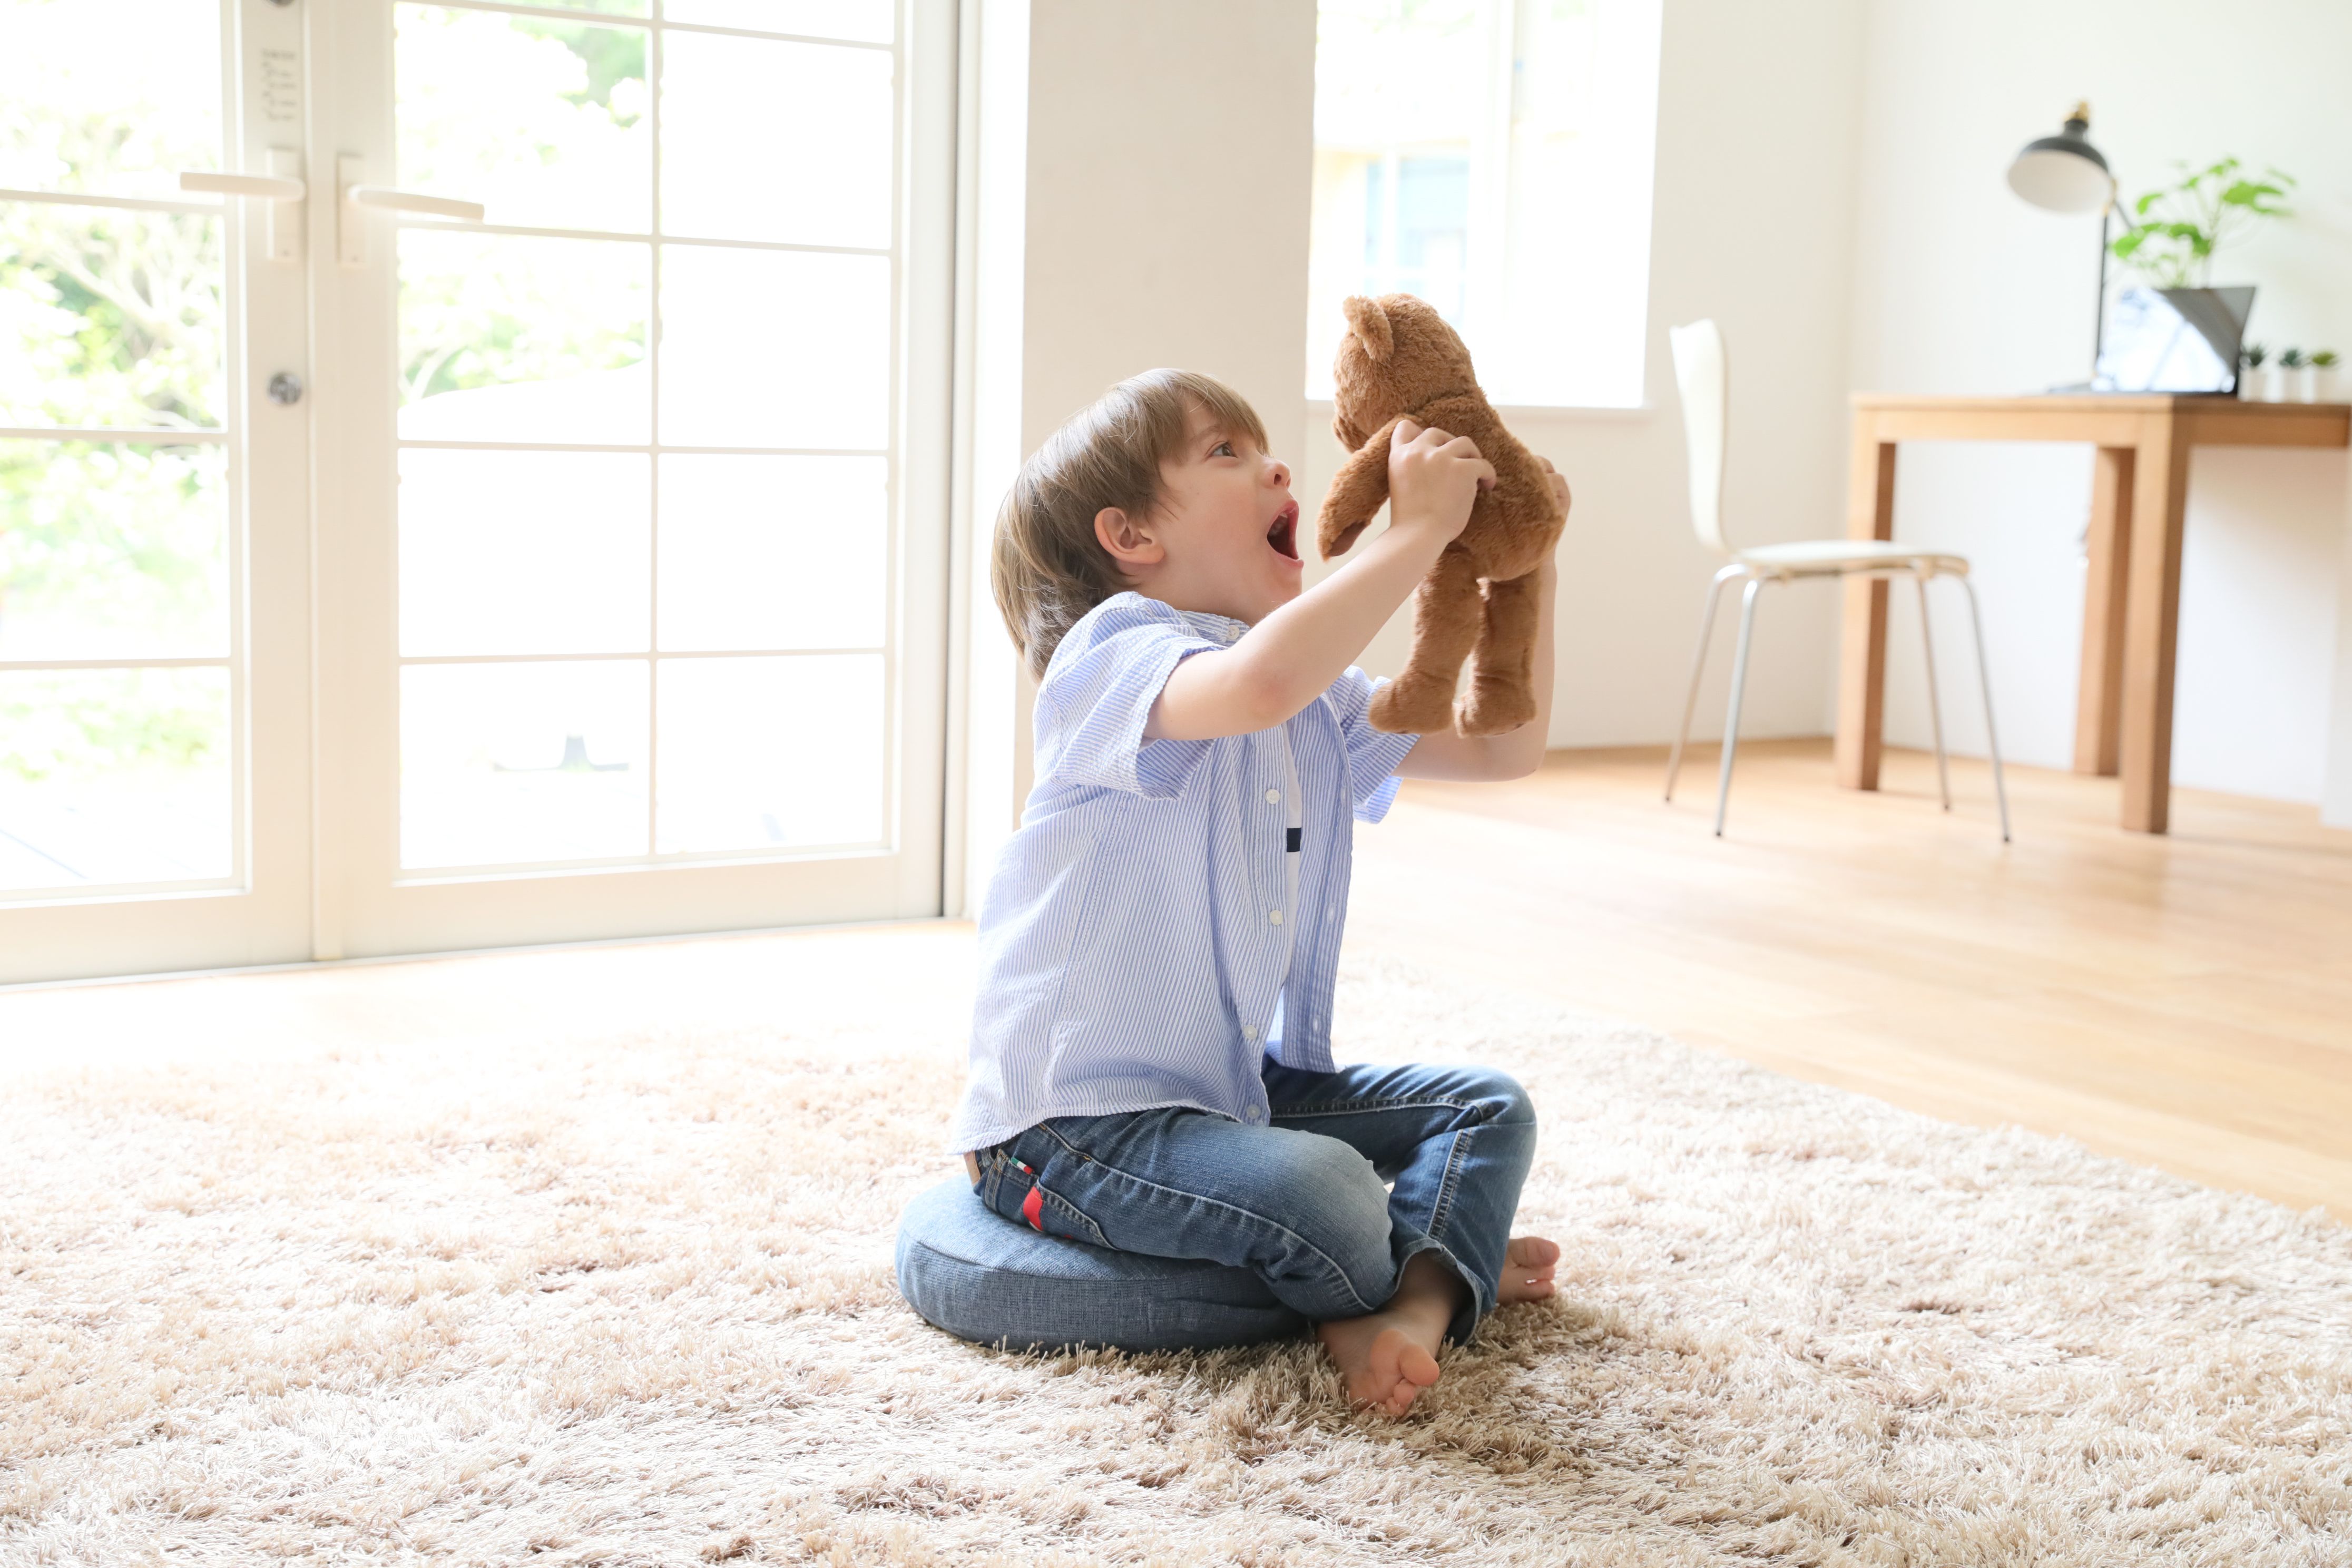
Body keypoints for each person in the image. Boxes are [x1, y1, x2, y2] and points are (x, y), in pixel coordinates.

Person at [947, 367, 1565, 1416]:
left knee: (1484, 1107)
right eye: (1225, 452)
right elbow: (1261, 684)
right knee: (1322, 1190)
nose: (1279, 464)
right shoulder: (1108, 662)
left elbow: (1503, 747)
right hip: (1071, 1129)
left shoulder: (1305, 693)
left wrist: (1525, 558)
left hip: (1224, 1090)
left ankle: (1404, 1303)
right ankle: (1420, 1269)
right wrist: (1407, 538)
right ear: (1132, 538)